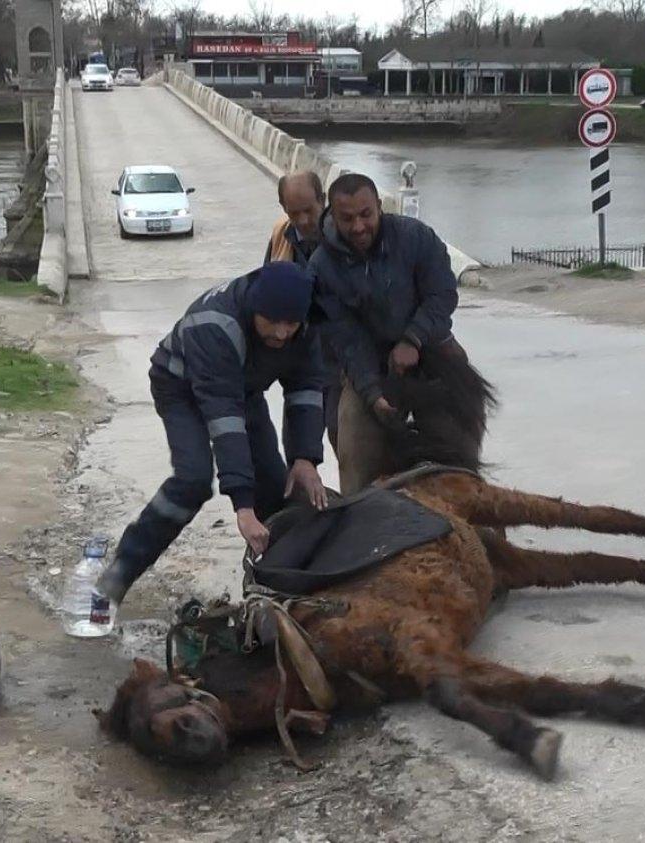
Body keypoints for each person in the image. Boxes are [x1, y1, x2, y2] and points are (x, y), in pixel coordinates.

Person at [98, 262, 329, 605]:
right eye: (272, 322)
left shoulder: (306, 325)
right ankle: (120, 573)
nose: (282, 334)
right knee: (193, 480)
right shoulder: (215, 325)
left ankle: (279, 591)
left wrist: (305, 457)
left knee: (277, 485)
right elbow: (225, 418)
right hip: (181, 386)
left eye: (290, 324)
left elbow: (306, 389)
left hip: (242, 389)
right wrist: (242, 506)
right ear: (254, 309)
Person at [310, 172, 461, 495]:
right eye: (347, 219)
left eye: (366, 215)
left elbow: (443, 294)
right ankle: (365, 527)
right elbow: (345, 338)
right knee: (350, 445)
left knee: (456, 447)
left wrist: (413, 339)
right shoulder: (322, 267)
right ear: (333, 217)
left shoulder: (417, 238)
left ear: (379, 207)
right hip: (369, 364)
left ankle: (473, 517)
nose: (358, 227)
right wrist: (371, 392)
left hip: (432, 352)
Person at [263, 171, 325, 269]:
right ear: (283, 207)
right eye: (294, 213)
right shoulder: (280, 234)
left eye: (308, 211)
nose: (303, 221)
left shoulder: (342, 237)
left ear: (322, 201)